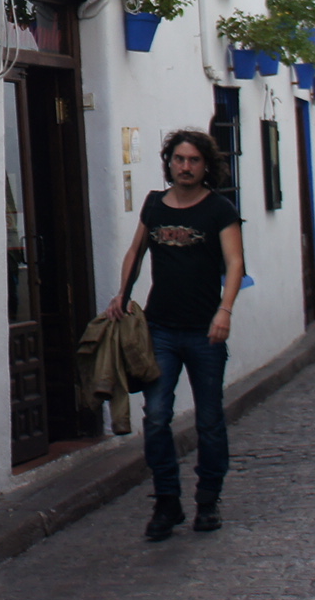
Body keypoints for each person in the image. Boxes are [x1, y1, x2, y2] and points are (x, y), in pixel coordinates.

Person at [105, 129, 245, 541]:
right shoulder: (154, 204)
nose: (185, 167)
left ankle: (208, 499)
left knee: (209, 420)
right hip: (160, 329)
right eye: (179, 159)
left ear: (206, 166)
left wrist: (225, 311)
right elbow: (136, 251)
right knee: (156, 416)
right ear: (169, 162)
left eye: (193, 160)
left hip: (205, 331)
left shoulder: (219, 209)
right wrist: (123, 293)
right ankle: (167, 500)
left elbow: (235, 263)